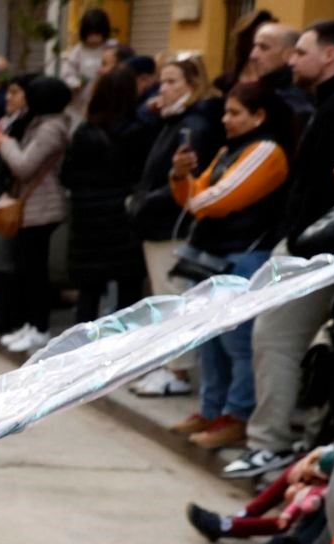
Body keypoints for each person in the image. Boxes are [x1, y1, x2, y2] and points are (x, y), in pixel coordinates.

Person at [234, 21, 334, 481]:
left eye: (298, 52)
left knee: (276, 339)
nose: (289, 61)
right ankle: (287, 445)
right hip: (310, 244)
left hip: (319, 250)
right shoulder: (326, 103)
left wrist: (304, 239)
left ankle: (271, 445)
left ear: (328, 55)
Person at [170, 80, 293, 455]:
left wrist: (191, 192)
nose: (226, 119)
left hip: (247, 253)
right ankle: (211, 410)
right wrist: (178, 175)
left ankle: (236, 416)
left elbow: (212, 200)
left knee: (237, 340)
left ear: (259, 116)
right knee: (209, 335)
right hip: (217, 254)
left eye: (235, 112)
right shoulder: (230, 150)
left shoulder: (267, 150)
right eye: (226, 111)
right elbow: (194, 196)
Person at [129, 55, 224, 401]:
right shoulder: (173, 119)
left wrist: (144, 202)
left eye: (172, 82)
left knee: (174, 300)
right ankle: (167, 365)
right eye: (161, 82)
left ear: (193, 85)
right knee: (162, 297)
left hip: (172, 226)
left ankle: (178, 370)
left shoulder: (194, 125)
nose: (162, 89)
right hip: (157, 224)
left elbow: (184, 181)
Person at [0, 75, 73, 354]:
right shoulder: (41, 123)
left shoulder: (50, 129)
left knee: (35, 271)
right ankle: (29, 323)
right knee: (26, 268)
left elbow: (24, 166)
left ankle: (39, 327)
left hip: (42, 207)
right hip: (32, 207)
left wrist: (4, 143)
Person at [60, 66, 149, 325]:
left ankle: (84, 352)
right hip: (123, 219)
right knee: (128, 291)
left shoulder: (84, 132)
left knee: (88, 292)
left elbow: (66, 175)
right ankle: (125, 352)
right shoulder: (139, 131)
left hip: (87, 219)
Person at [61, 7, 113, 112]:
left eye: (97, 33)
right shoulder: (78, 50)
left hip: (105, 98)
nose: (93, 38)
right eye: (90, 34)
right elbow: (67, 72)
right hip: (80, 101)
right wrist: (74, 83)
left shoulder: (111, 47)